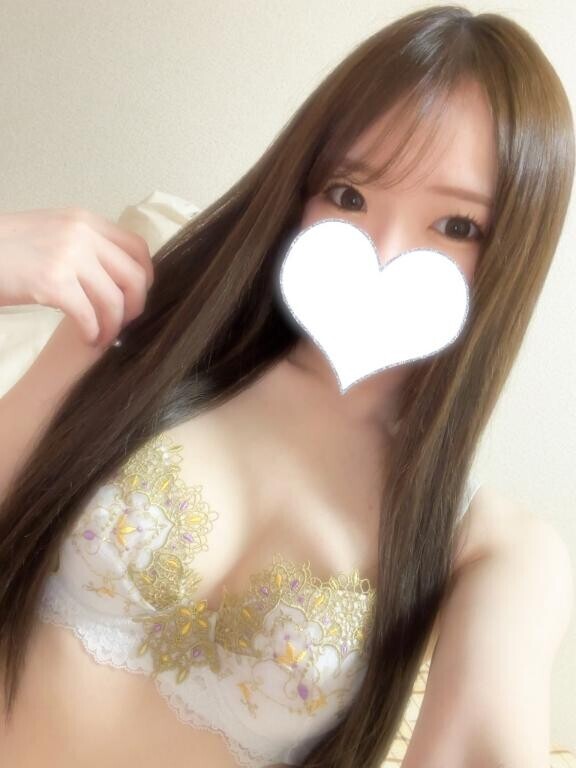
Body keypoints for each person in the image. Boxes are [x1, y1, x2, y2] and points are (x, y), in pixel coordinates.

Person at [0, 6, 574, 768]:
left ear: (511, 253)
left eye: (457, 227)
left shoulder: (483, 543)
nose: (383, 252)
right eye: (349, 195)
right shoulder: (138, 333)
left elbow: (488, 744)